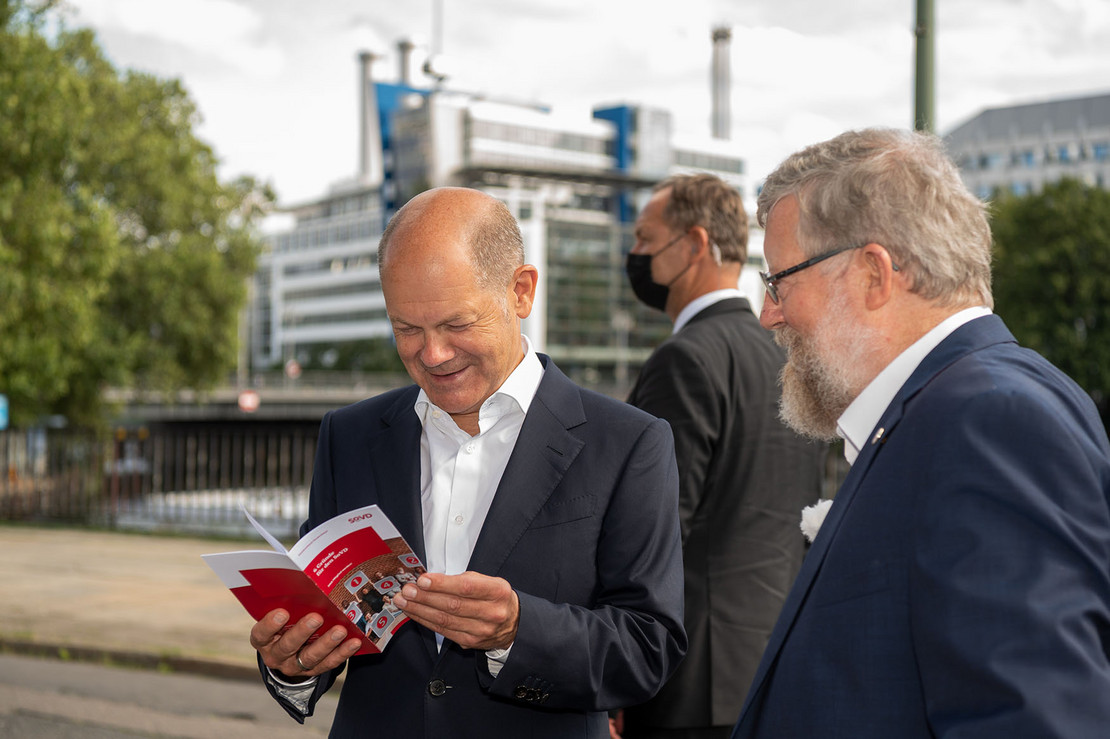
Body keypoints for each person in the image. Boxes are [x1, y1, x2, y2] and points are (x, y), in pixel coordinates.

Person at [248, 186, 687, 738]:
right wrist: (293, 664)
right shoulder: (350, 435)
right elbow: (328, 617)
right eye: (406, 329)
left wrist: (517, 631)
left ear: (521, 291)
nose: (432, 354)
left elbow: (649, 647)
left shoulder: (628, 443)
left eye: (456, 324)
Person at [729, 128, 1110, 738]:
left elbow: (1031, 718)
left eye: (778, 282)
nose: (768, 313)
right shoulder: (951, 409)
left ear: (874, 274)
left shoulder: (989, 421)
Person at [619, 174, 824, 739]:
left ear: (693, 244)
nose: (634, 255)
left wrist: (610, 669)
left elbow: (656, 537)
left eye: (643, 238)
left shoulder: (683, 359)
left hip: (687, 685)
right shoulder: (785, 354)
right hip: (774, 665)